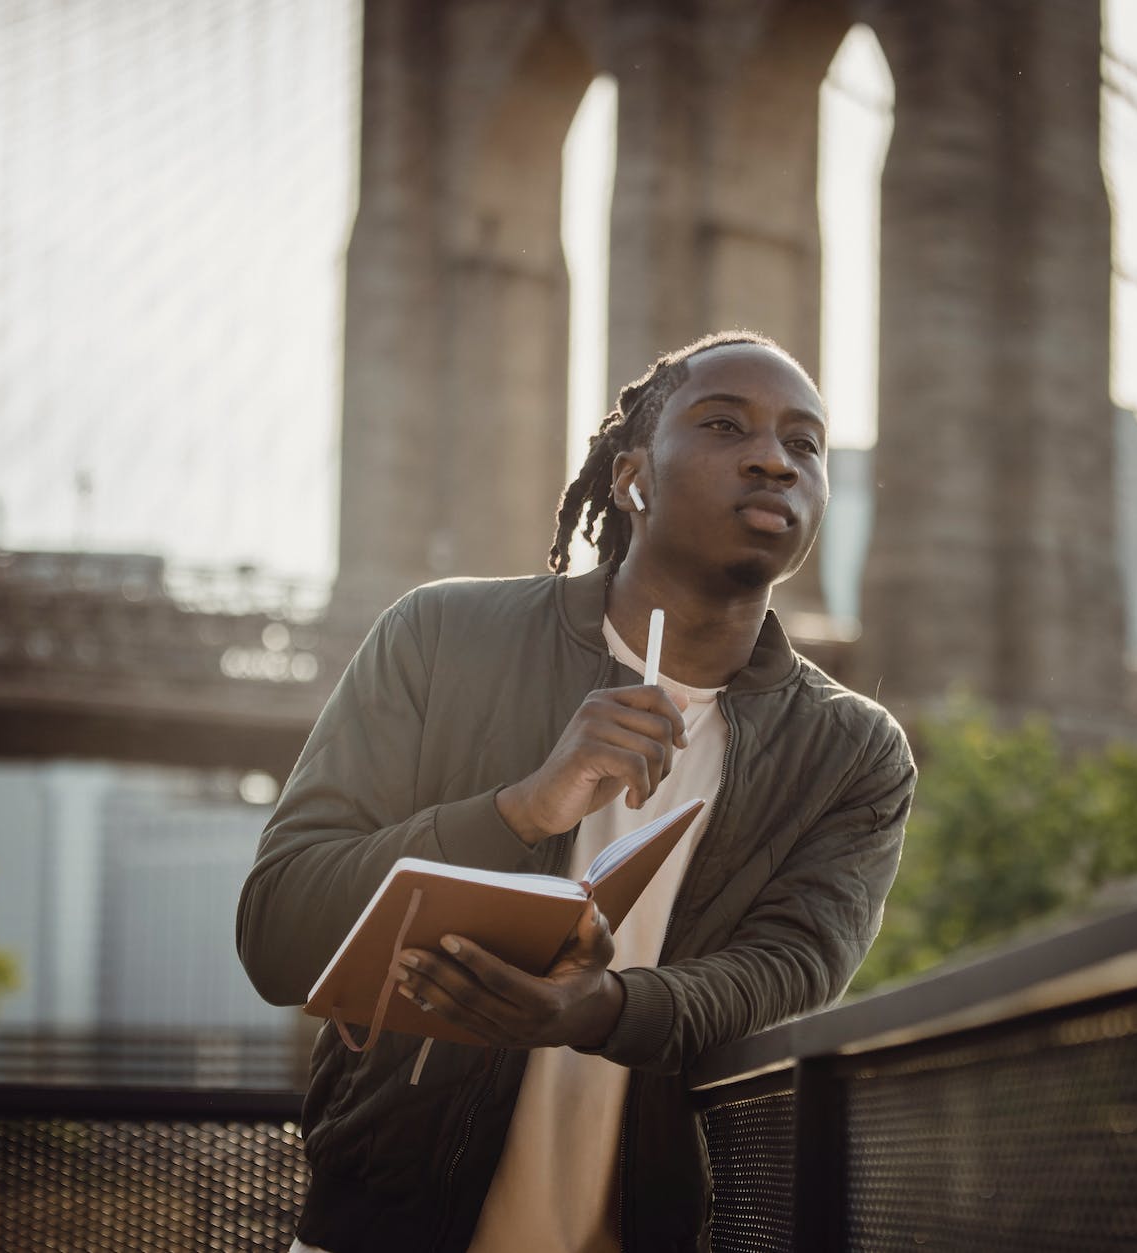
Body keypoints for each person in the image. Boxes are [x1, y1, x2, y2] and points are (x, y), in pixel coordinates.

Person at [237, 331, 916, 1252]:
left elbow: (794, 968)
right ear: (632, 479)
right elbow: (278, 932)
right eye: (726, 425)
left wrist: (597, 1009)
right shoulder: (439, 636)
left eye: (805, 443)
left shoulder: (852, 750)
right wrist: (527, 807)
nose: (772, 458)